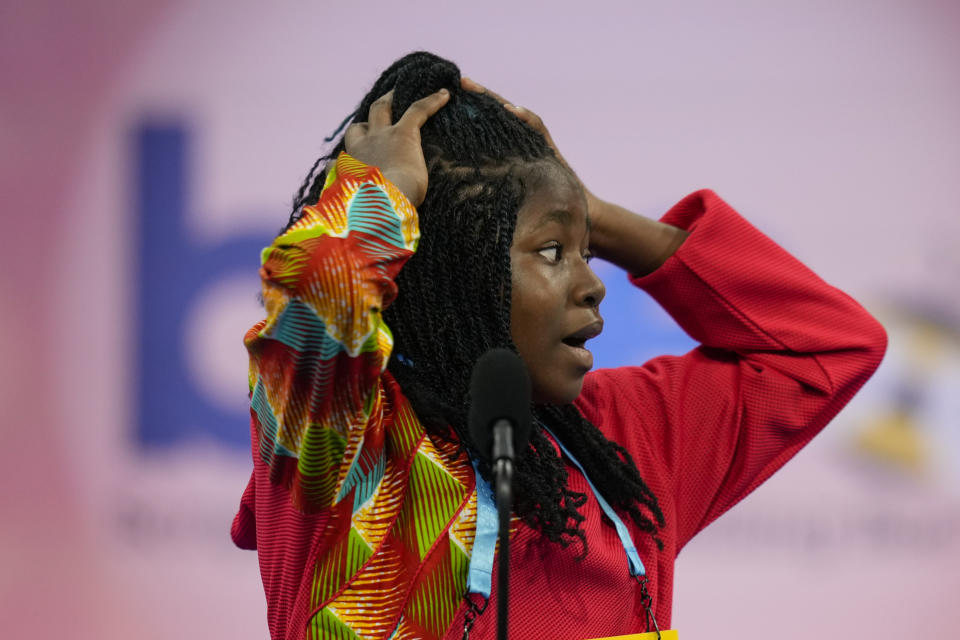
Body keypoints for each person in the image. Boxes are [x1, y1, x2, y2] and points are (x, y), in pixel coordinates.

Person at [231, 52, 887, 640]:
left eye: (587, 250)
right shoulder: (341, 451)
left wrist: (589, 212)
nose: (592, 283)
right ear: (458, 267)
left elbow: (830, 346)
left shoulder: (627, 440)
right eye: (552, 251)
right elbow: (311, 322)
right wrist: (374, 200)